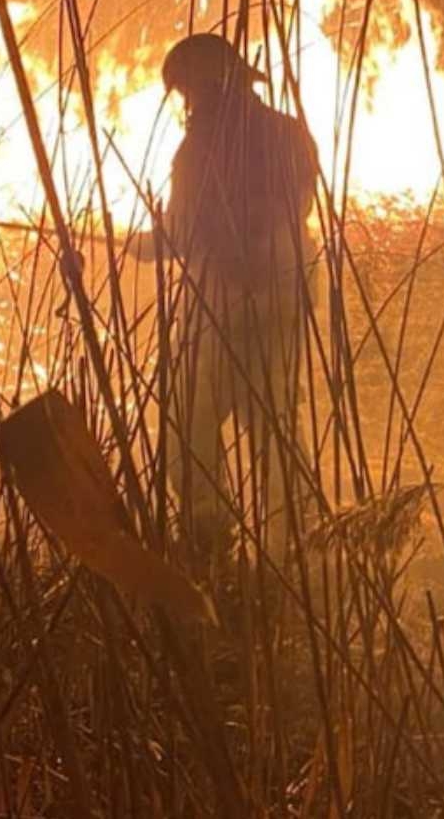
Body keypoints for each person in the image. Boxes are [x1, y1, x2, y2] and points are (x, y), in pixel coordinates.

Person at [136, 33, 320, 551]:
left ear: (200, 86)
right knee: (273, 422)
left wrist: (142, 246)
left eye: (186, 92)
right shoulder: (289, 133)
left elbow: (186, 230)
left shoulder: (197, 148)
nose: (186, 104)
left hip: (226, 302)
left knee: (187, 430)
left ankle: (209, 542)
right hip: (288, 290)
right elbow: (299, 208)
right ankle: (303, 548)